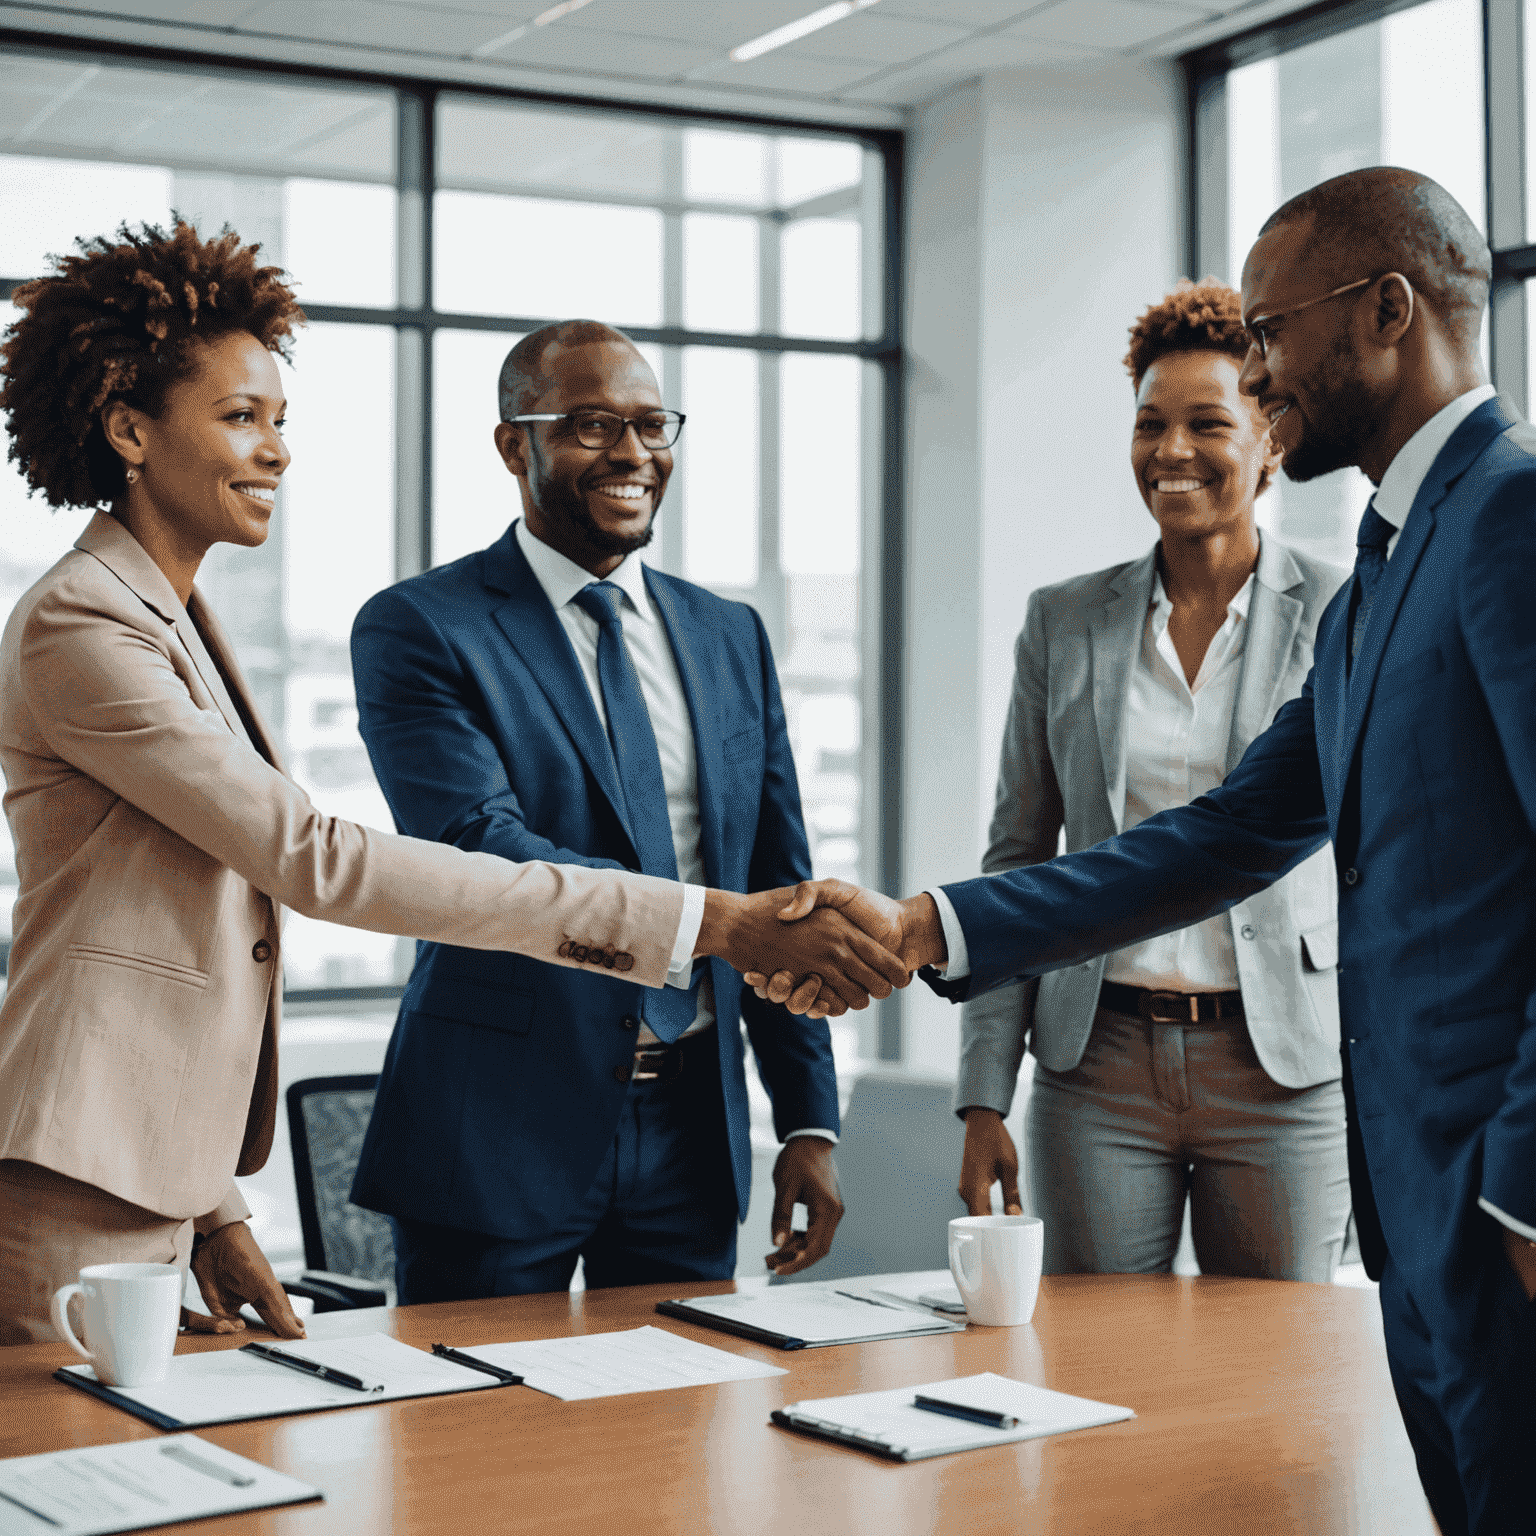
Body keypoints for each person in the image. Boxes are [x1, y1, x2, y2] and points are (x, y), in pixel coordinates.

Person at [753, 169, 1534, 1535]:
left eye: (1272, 329)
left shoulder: (1512, 519)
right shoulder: (1390, 563)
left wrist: (1525, 1201)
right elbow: (1225, 836)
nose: (1259, 363)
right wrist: (935, 925)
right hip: (1419, 1199)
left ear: (1388, 311)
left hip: (1491, 1201)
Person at [0, 223, 904, 1346]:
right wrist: (712, 923)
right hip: (107, 1160)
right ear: (132, 428)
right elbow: (316, 860)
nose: (279, 452)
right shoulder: (85, 621)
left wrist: (212, 1202)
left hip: (157, 1167)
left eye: (282, 420)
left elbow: (172, 924)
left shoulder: (167, 617)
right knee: (85, 1488)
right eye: (243, 419)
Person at [347, 320, 847, 1301]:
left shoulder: (729, 634)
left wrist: (806, 1120)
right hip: (496, 1129)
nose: (631, 454)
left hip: (694, 1137)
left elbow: (775, 885)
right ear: (512, 444)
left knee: (674, 1438)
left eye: (652, 424)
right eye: (590, 425)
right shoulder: (418, 627)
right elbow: (477, 849)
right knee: (472, 1436)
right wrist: (713, 924)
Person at [956, 280, 1351, 1280]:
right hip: (1099, 1064)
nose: (1171, 452)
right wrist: (983, 1096)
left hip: (1284, 1065)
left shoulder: (1344, 607)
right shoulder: (1065, 619)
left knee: (1275, 1372)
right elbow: (1017, 854)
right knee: (1095, 1370)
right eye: (1149, 425)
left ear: (1270, 440)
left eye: (1206, 423)